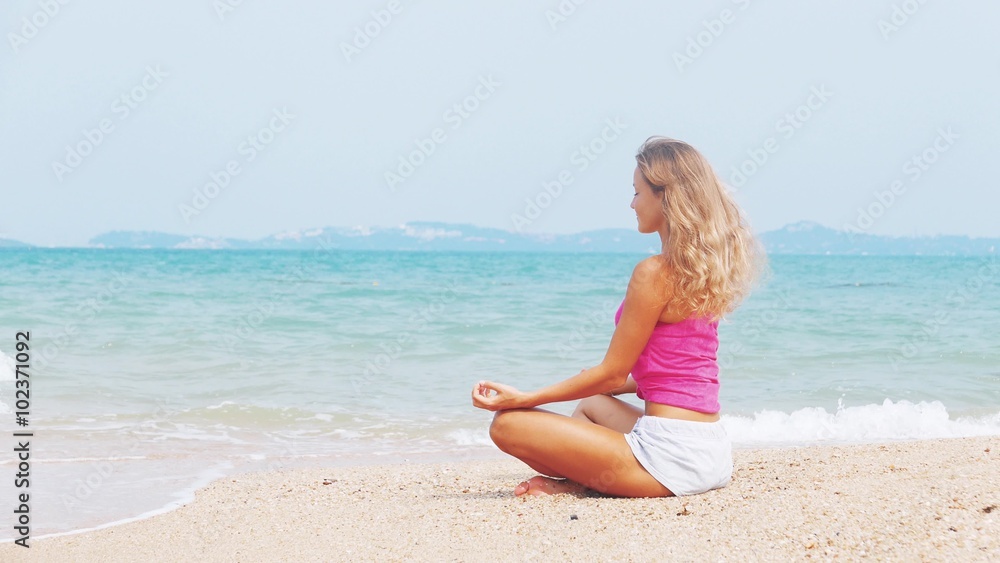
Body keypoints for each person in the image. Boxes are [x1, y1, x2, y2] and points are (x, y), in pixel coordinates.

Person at [471, 136, 763, 498]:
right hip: (711, 450)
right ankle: (579, 482)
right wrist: (603, 385)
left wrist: (524, 398)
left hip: (671, 456)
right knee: (592, 404)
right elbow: (677, 371)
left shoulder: (654, 272)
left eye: (637, 193)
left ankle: (585, 484)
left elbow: (611, 372)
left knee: (507, 425)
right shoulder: (700, 272)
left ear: (666, 196)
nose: (632, 203)